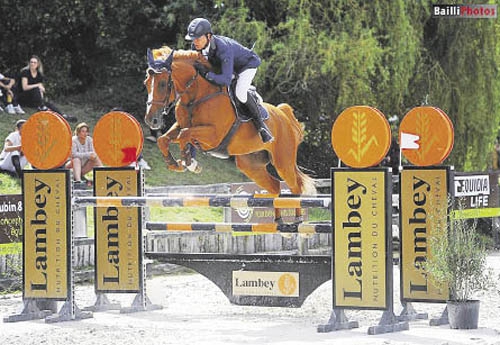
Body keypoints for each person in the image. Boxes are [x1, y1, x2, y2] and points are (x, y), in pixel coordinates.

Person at [185, 18, 274, 143]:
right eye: (193, 39)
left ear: (208, 36)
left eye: (198, 38)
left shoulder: (223, 48)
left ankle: (262, 127)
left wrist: (206, 73)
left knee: (240, 93)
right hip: (226, 67)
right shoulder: (197, 45)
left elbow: (225, 80)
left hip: (246, 66)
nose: (195, 42)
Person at [17, 55, 77, 122]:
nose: (32, 64)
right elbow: (24, 87)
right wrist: (38, 85)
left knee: (48, 104)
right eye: (31, 62)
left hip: (34, 99)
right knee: (36, 89)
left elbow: (41, 89)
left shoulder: (39, 74)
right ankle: (42, 107)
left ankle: (63, 116)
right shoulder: (25, 72)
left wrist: (41, 97)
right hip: (23, 97)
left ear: (38, 64)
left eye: (34, 62)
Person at [65, 122, 103, 188]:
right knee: (76, 159)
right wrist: (87, 154)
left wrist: (91, 155)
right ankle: (78, 181)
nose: (85, 133)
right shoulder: (74, 140)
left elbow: (93, 153)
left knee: (96, 157)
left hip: (85, 165)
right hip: (73, 166)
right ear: (78, 132)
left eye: (86, 131)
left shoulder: (89, 139)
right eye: (83, 131)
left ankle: (103, 175)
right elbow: (73, 154)